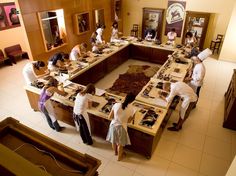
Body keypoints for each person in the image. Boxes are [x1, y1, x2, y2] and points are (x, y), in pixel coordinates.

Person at [106, 93, 136, 161]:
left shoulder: (116, 104)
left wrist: (117, 117)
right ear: (132, 101)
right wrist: (132, 117)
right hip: (122, 127)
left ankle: (115, 153)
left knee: (113, 141)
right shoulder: (132, 109)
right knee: (120, 144)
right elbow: (128, 121)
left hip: (113, 125)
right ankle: (119, 157)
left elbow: (109, 117)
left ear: (125, 97)